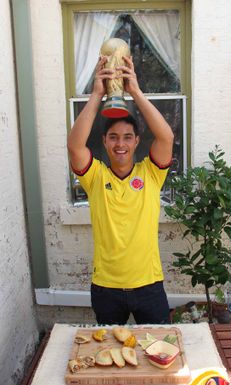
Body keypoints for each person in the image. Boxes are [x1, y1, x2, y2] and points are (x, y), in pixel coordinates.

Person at [67, 55, 174, 325]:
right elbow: (75, 146)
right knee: (109, 354)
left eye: (127, 137)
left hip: (149, 285)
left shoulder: (151, 173)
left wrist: (135, 92)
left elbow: (166, 137)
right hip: (106, 288)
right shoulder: (96, 176)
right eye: (113, 137)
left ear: (137, 141)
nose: (120, 144)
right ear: (104, 141)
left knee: (156, 353)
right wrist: (96, 95)